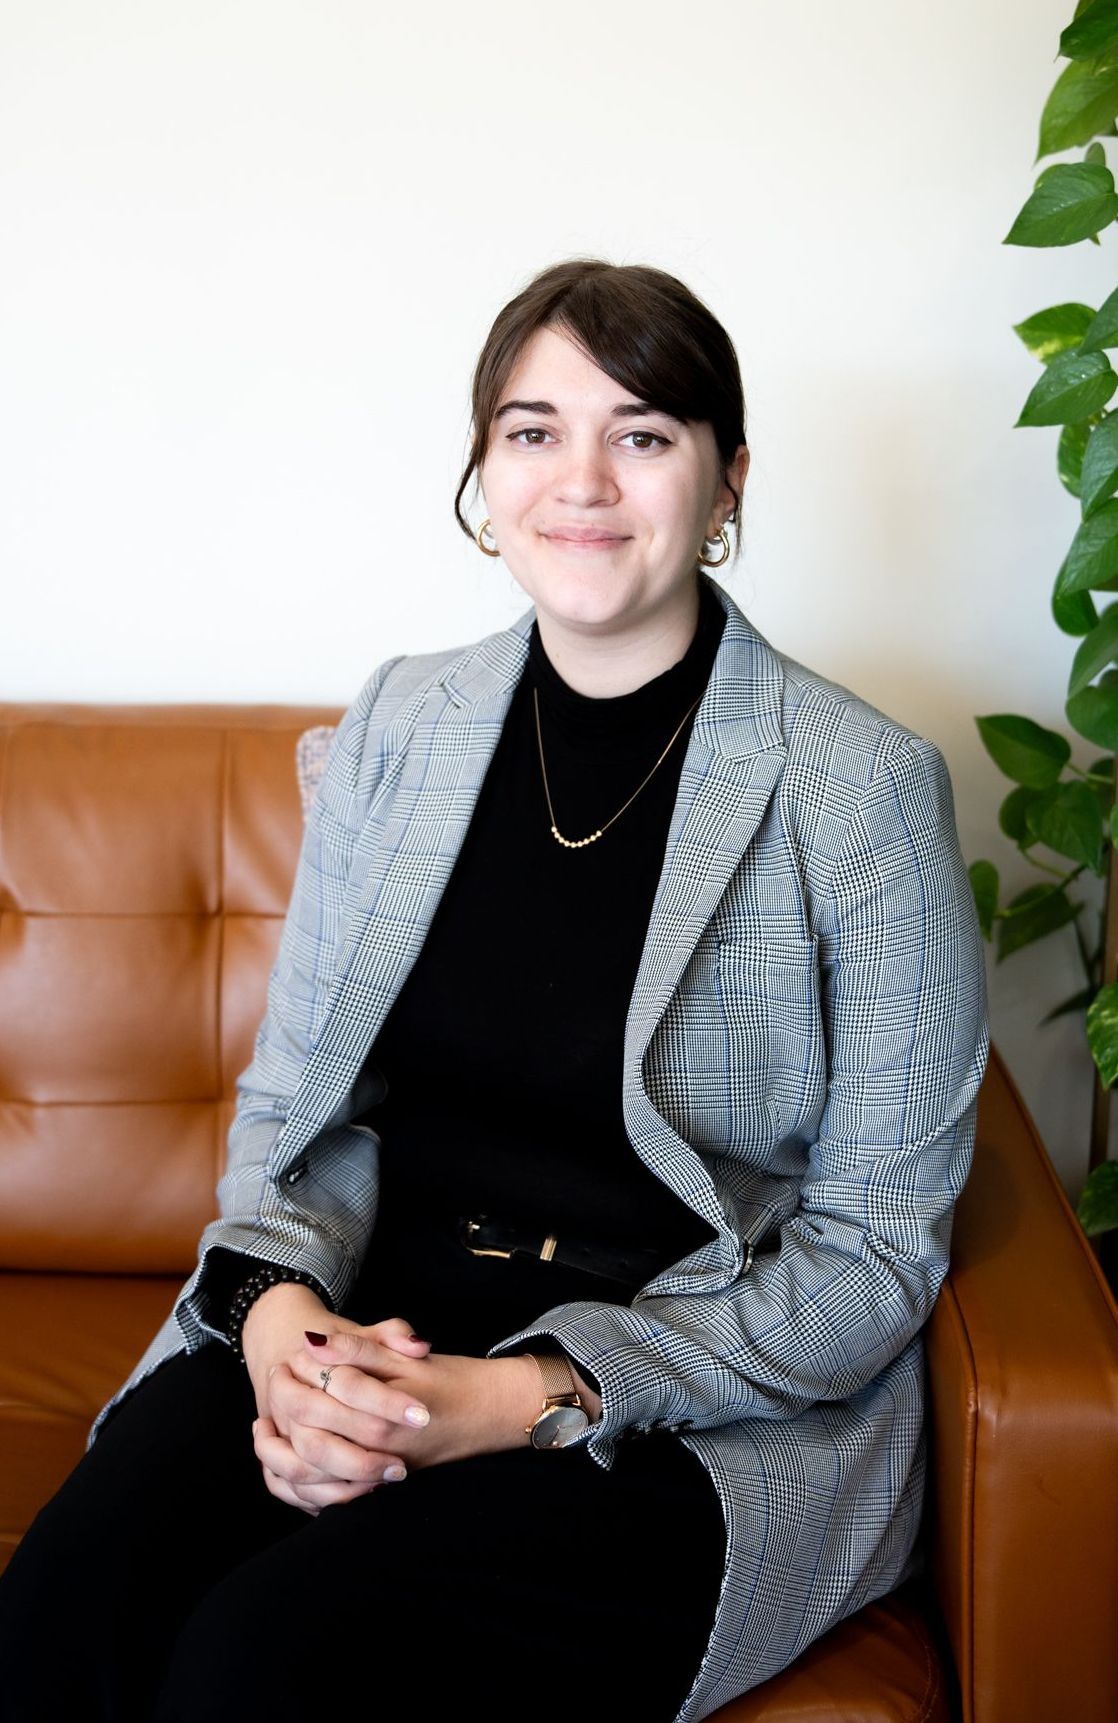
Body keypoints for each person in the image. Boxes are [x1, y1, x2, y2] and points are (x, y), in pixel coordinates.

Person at [0, 258, 990, 1723]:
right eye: (531, 432)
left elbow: (874, 1253)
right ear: (483, 473)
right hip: (367, 1318)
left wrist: (520, 1399)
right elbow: (295, 1103)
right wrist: (282, 1333)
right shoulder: (404, 722)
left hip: (673, 1389)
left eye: (642, 434)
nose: (579, 481)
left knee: (260, 1669)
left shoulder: (860, 790)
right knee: (58, 1616)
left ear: (725, 483)